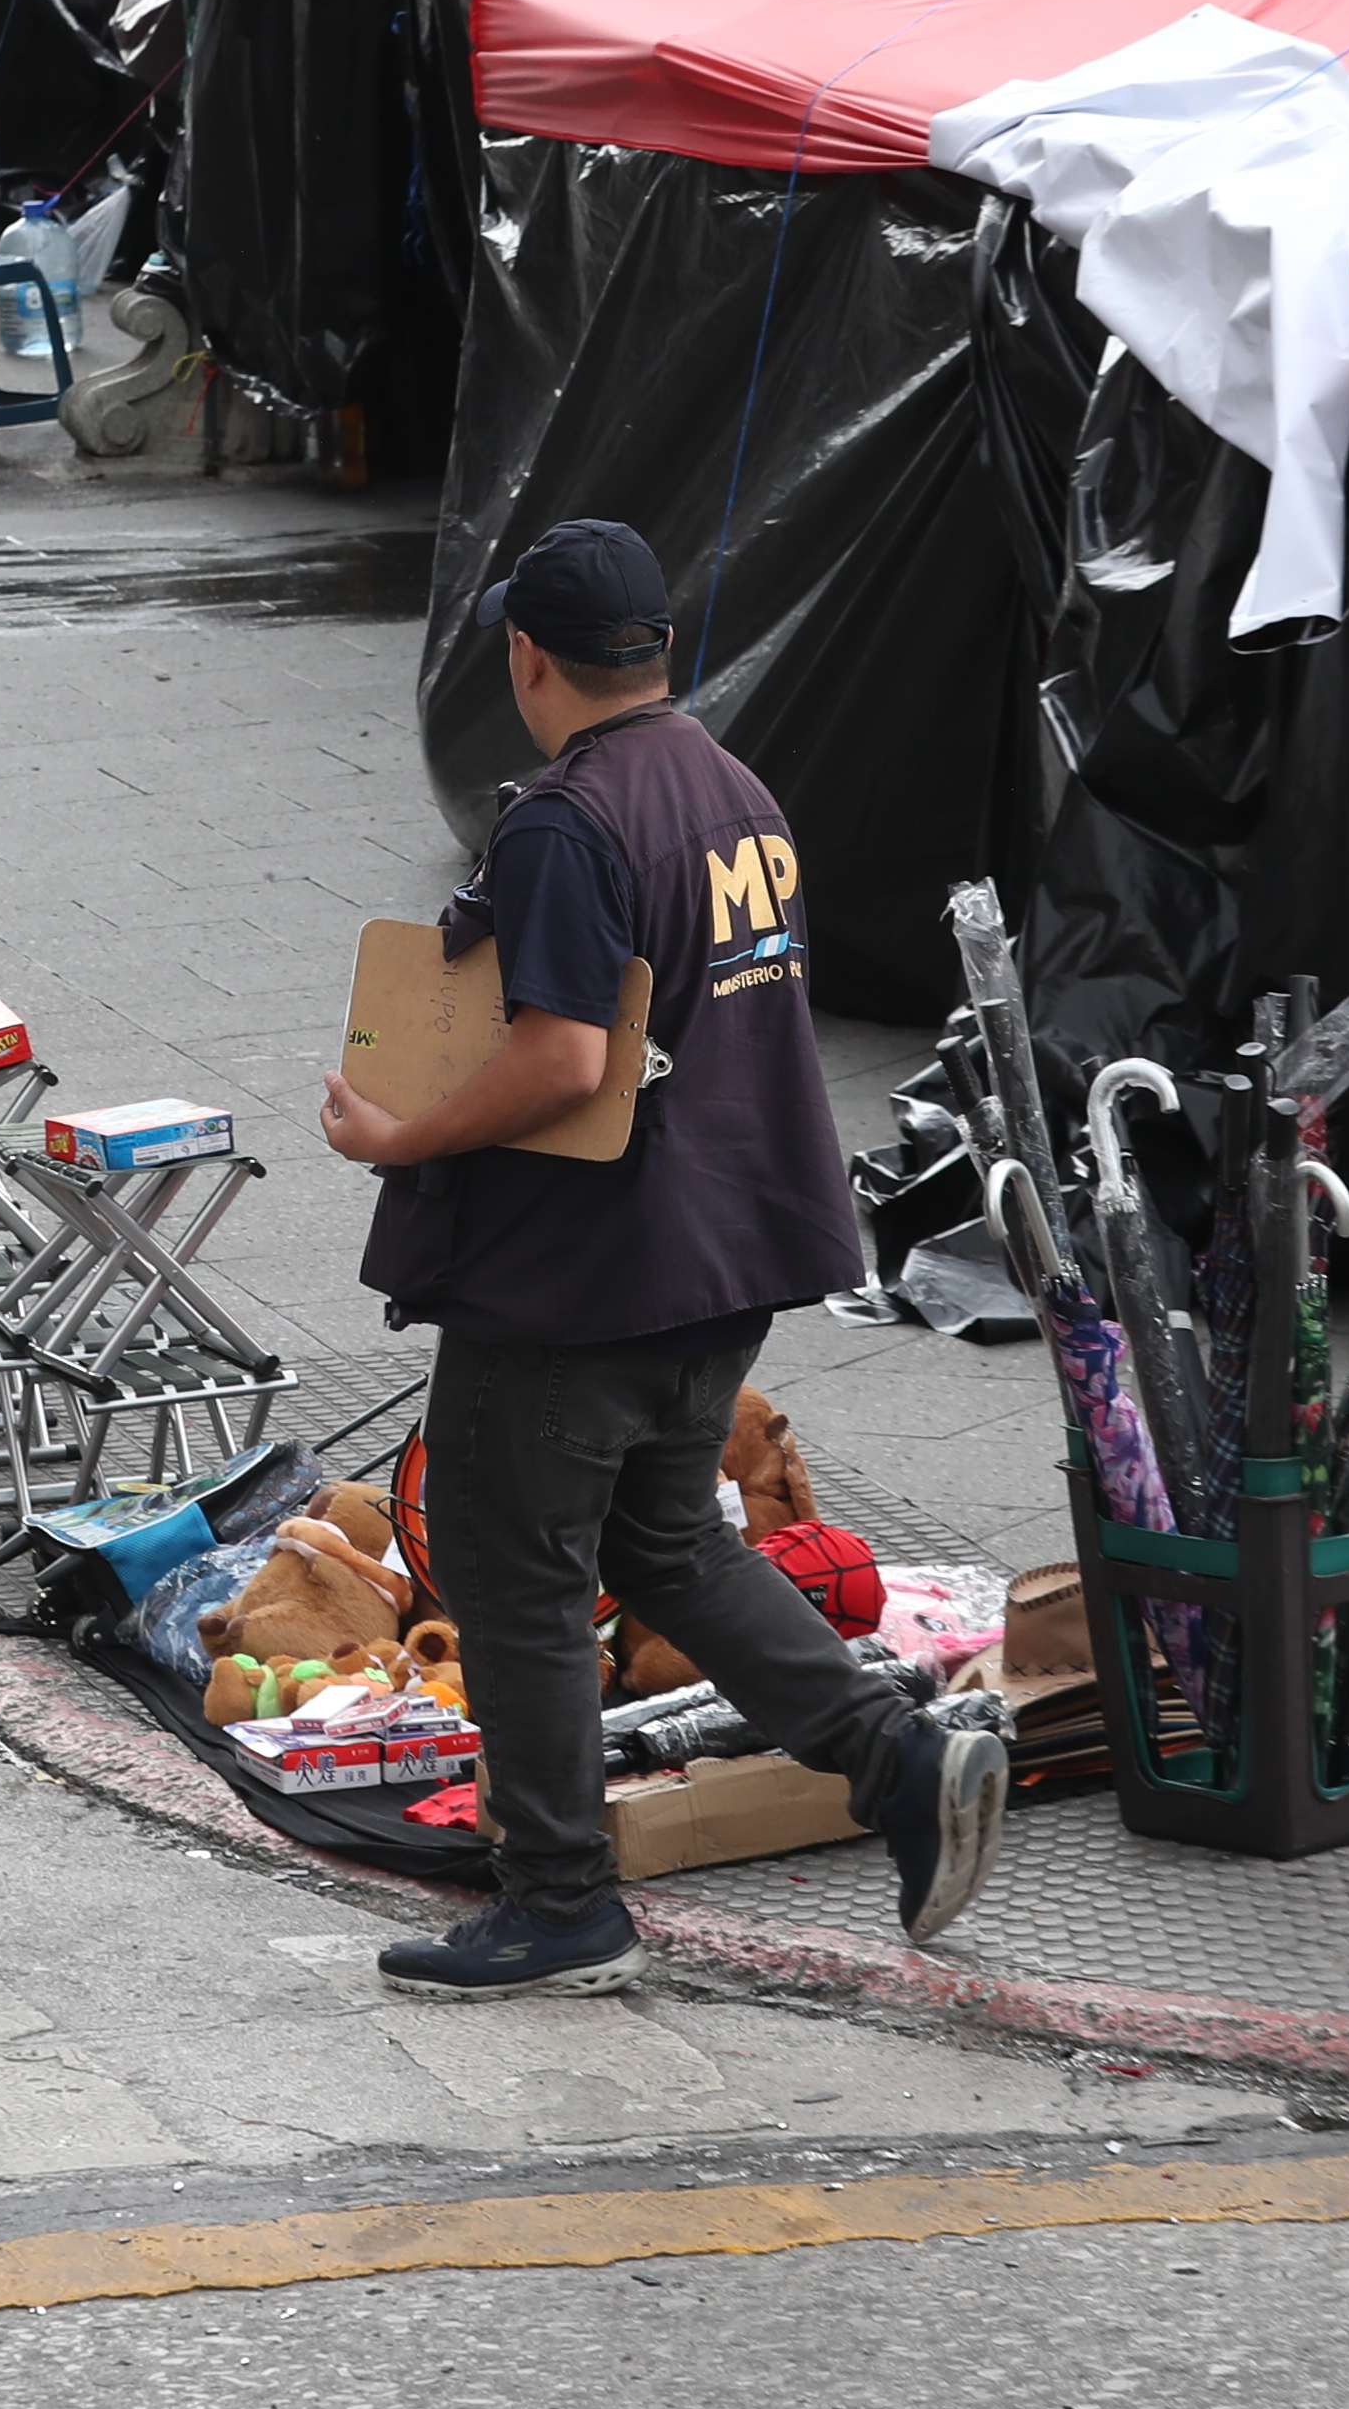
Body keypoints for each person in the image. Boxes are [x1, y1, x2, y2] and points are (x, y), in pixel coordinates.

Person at [318, 519, 1005, 1996]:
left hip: (585, 1276)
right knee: (666, 1541)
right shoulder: (733, 786)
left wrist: (404, 1136)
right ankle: (895, 1760)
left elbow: (565, 1058)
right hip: (727, 1254)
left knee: (514, 1575)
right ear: (659, 649)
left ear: (525, 658)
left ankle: (560, 1900)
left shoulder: (568, 819)